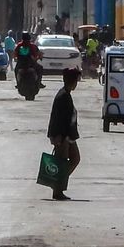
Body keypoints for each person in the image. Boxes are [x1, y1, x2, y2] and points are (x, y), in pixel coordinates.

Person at [46, 68, 82, 201]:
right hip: (62, 136)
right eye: (75, 81)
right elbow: (58, 119)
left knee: (74, 159)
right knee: (62, 162)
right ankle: (57, 189)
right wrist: (58, 137)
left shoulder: (66, 94)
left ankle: (58, 183)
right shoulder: (63, 96)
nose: (76, 83)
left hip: (68, 135)